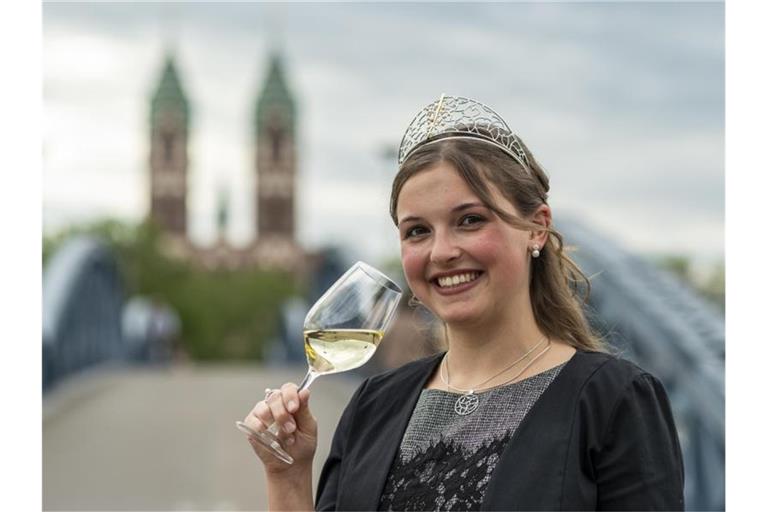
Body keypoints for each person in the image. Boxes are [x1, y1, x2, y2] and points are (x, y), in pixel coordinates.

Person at [241, 94, 685, 511]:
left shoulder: (614, 401)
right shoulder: (374, 405)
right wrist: (289, 476)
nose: (441, 251)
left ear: (537, 227)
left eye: (470, 220)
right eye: (417, 231)